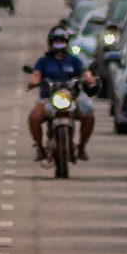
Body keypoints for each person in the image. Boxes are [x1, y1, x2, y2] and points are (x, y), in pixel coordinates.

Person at [27, 27, 97, 161]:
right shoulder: (44, 61)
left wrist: (89, 79)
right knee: (34, 117)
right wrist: (34, 81)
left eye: (62, 42)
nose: (59, 45)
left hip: (71, 97)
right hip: (48, 97)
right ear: (50, 43)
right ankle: (40, 149)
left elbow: (84, 72)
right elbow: (36, 74)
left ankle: (82, 148)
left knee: (89, 116)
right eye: (56, 42)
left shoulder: (73, 60)